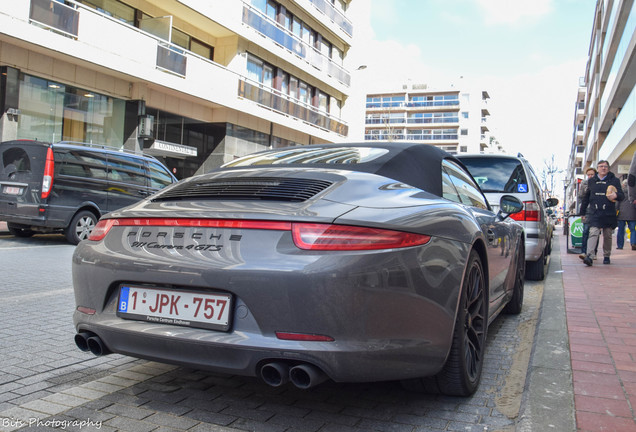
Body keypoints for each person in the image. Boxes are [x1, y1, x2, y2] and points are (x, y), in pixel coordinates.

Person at [579, 160, 624, 266]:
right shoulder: (592, 181)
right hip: (595, 212)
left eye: (605, 166)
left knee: (607, 235)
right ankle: (589, 256)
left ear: (608, 168)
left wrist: (616, 195)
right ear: (597, 168)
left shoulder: (614, 180)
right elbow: (586, 197)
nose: (603, 168)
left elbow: (622, 195)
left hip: (608, 212)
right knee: (593, 232)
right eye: (601, 166)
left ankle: (606, 256)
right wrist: (583, 212)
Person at [578, 167, 597, 259]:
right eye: (588, 175)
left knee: (594, 232)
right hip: (586, 210)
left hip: (596, 211)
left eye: (592, 174)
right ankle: (583, 252)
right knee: (585, 231)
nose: (590, 176)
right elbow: (581, 196)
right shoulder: (584, 183)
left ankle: (593, 253)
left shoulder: (598, 183)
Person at [617, 178, 636, 250]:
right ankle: (633, 243)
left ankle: (620, 245)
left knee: (621, 230)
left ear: (623, 185)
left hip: (622, 213)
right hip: (632, 213)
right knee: (633, 230)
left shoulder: (620, 192)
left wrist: (616, 210)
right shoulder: (634, 193)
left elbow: (617, 203)